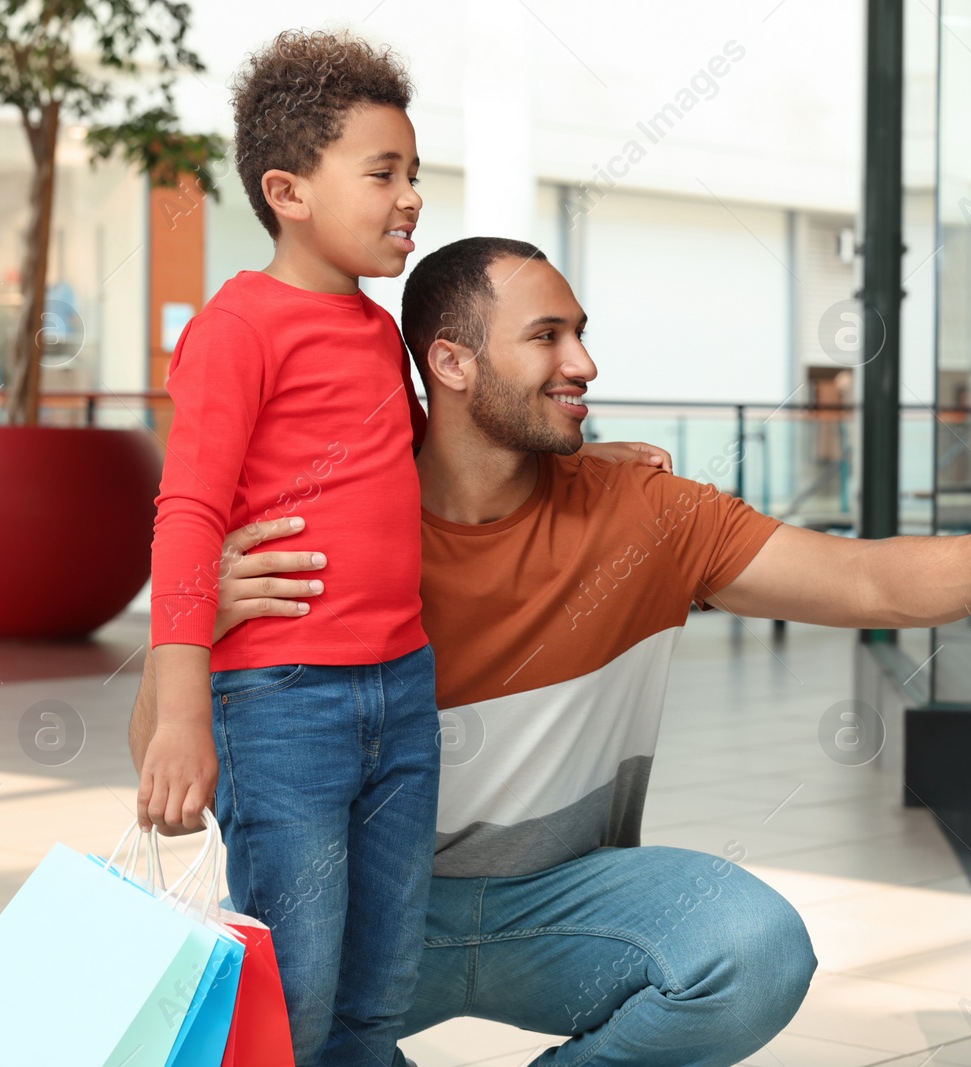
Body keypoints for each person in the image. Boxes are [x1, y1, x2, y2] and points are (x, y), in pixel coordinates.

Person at [131, 236, 971, 1067]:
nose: (584, 362)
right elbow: (164, 755)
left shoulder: (640, 510)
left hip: (556, 904)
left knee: (751, 946)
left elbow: (878, 580)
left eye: (580, 330)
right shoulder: (323, 528)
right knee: (255, 1018)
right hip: (365, 912)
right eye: (547, 336)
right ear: (450, 362)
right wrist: (192, 621)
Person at [137, 36, 661, 1067]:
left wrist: (584, 458)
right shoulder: (237, 327)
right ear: (287, 190)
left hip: (400, 692)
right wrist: (181, 714)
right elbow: (187, 513)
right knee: (298, 990)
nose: (411, 196)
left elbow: (425, 452)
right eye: (382, 173)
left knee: (377, 990)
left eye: (413, 171)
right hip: (282, 703)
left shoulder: (377, 331)